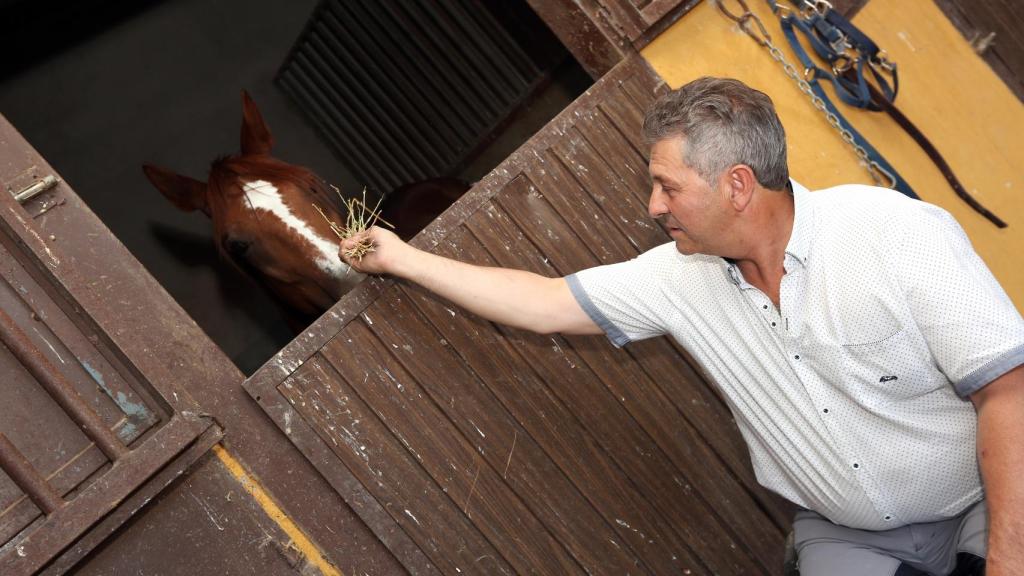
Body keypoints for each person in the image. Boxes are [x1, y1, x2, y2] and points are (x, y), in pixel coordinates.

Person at [340, 77, 1024, 576]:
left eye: (668, 186)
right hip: (850, 536)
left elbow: (1008, 391)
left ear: (737, 185)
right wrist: (401, 259)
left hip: (983, 499)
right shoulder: (675, 277)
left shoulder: (893, 233)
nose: (653, 206)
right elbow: (544, 303)